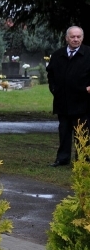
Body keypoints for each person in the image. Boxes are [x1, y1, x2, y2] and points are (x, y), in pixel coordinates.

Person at [46, 26, 90, 166]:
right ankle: (62, 159)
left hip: (83, 101)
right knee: (64, 132)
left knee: (82, 132)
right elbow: (51, 74)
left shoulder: (89, 53)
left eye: (78, 37)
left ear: (82, 38)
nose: (76, 39)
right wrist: (54, 88)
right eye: (73, 37)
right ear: (67, 38)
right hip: (62, 101)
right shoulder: (58, 55)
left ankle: (82, 159)